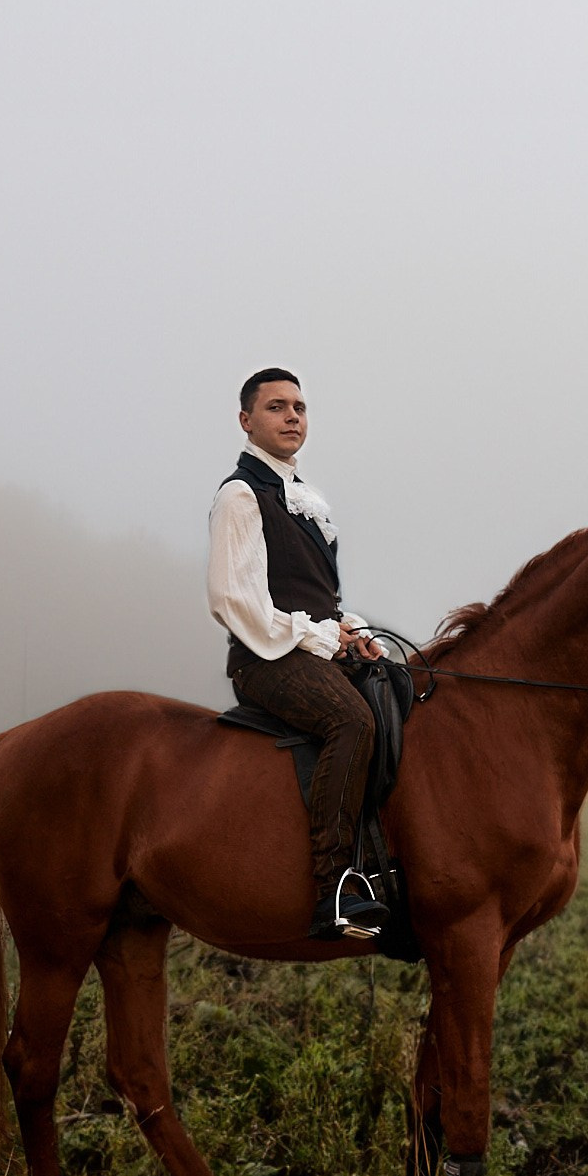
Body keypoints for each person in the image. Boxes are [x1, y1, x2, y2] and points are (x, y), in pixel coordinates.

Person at [208, 368, 388, 943]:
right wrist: (317, 638)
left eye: (300, 408)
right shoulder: (240, 495)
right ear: (246, 421)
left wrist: (351, 631)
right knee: (351, 719)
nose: (292, 417)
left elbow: (321, 598)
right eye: (277, 407)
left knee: (399, 693)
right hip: (264, 658)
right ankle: (333, 884)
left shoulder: (307, 500)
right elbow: (235, 600)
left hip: (309, 647)